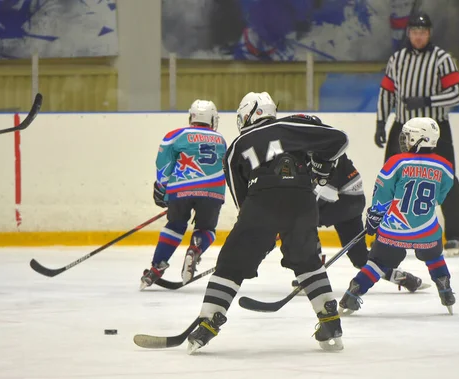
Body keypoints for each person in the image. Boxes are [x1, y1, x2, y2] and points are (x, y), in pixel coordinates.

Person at [186, 92, 349, 354]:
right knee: (307, 260)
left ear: (248, 114)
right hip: (303, 201)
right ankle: (330, 320)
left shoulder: (237, 146)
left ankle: (208, 322)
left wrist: (262, 230)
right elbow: (341, 139)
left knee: (231, 264)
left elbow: (242, 201)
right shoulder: (292, 126)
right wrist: (321, 165)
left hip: (262, 202)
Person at [340, 117, 456, 315]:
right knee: (434, 256)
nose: (404, 140)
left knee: (377, 263)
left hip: (394, 231)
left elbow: (382, 194)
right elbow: (439, 198)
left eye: (409, 137)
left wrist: (374, 219)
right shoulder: (445, 166)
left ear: (419, 139)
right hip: (426, 231)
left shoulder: (396, 162)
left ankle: (354, 292)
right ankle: (444, 287)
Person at [375, 12, 459, 257]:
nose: (418, 36)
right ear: (408, 34)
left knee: (448, 178)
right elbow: (387, 92)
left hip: (436, 127)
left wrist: (427, 100)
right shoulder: (397, 59)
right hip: (403, 127)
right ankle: (385, 233)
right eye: (414, 32)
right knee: (391, 178)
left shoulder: (442, 59)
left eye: (422, 32)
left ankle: (456, 237)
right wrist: (381, 122)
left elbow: (456, 93)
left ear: (429, 34)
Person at [294, 148, 428, 293]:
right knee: (360, 259)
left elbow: (316, 195)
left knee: (303, 223)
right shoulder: (319, 148)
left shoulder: (325, 154)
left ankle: (312, 275)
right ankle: (405, 278)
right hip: (351, 202)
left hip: (345, 203)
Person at [140, 100, 227, 289]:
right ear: (212, 119)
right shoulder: (220, 139)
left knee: (175, 226)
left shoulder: (175, 135)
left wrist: (162, 190)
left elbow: (163, 163)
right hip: (213, 190)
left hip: (182, 188)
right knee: (207, 230)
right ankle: (195, 247)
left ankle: (157, 267)